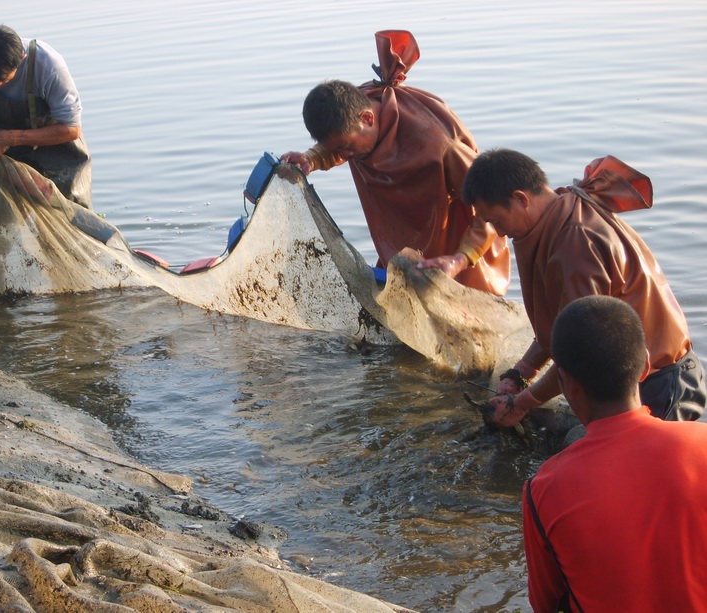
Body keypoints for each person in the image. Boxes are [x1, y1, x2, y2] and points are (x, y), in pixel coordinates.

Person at [461, 148, 705, 424]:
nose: (500, 233)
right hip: (631, 377)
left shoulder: (575, 245)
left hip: (661, 384)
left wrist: (521, 404)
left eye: (497, 221)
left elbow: (579, 356)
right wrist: (520, 373)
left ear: (520, 199)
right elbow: (561, 327)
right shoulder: (563, 208)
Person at [280, 30, 510, 296]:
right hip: (404, 247)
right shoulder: (361, 111)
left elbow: (496, 206)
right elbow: (336, 146)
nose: (345, 155)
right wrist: (311, 158)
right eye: (337, 149)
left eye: (345, 148)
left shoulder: (439, 145)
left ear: (367, 119)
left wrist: (459, 259)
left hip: (462, 257)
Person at [523, 295, 707, 612]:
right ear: (646, 366)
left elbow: (545, 604)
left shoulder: (544, 488)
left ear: (566, 384)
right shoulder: (701, 442)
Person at [0, 24, 92, 209]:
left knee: (65, 215)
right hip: (8, 156)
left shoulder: (49, 67)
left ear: (22, 59)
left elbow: (71, 129)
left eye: (3, 79)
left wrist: (10, 138)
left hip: (60, 158)